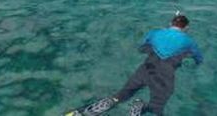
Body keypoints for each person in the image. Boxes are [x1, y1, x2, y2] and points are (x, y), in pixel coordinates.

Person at [66, 14, 203, 116]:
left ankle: (91, 110)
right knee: (157, 108)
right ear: (186, 28)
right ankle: (141, 107)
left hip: (144, 70)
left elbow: (142, 48)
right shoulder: (189, 42)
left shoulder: (155, 33)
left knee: (120, 96)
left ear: (170, 23)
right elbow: (198, 59)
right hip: (164, 77)